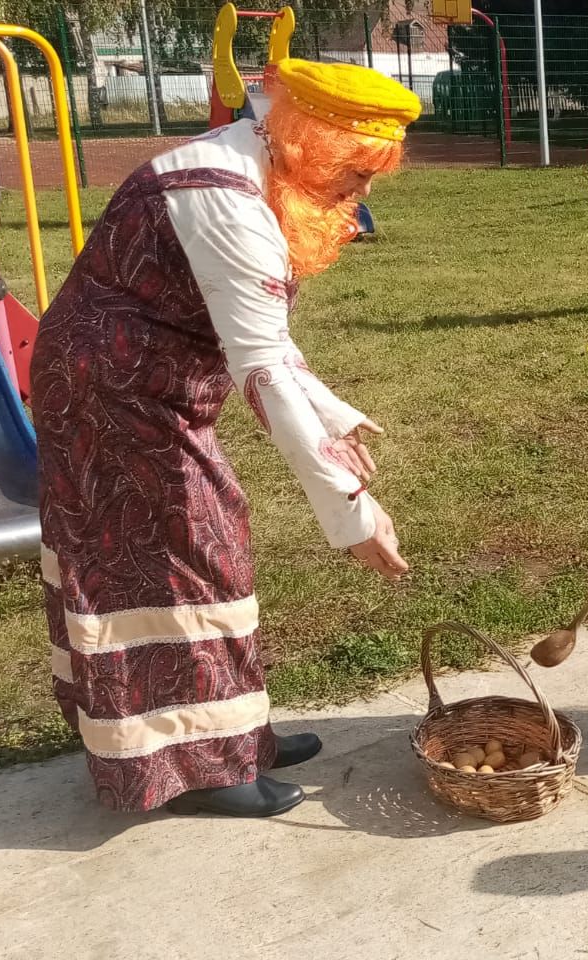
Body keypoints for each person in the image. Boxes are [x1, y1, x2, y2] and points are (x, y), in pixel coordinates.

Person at [31, 60, 420, 818]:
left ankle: (235, 736)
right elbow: (264, 369)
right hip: (109, 390)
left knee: (199, 546)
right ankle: (195, 769)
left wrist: (335, 420)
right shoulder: (227, 199)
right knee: (182, 553)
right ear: (308, 144)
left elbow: (267, 341)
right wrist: (352, 513)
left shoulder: (254, 162)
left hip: (143, 382)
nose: (361, 193)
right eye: (355, 170)